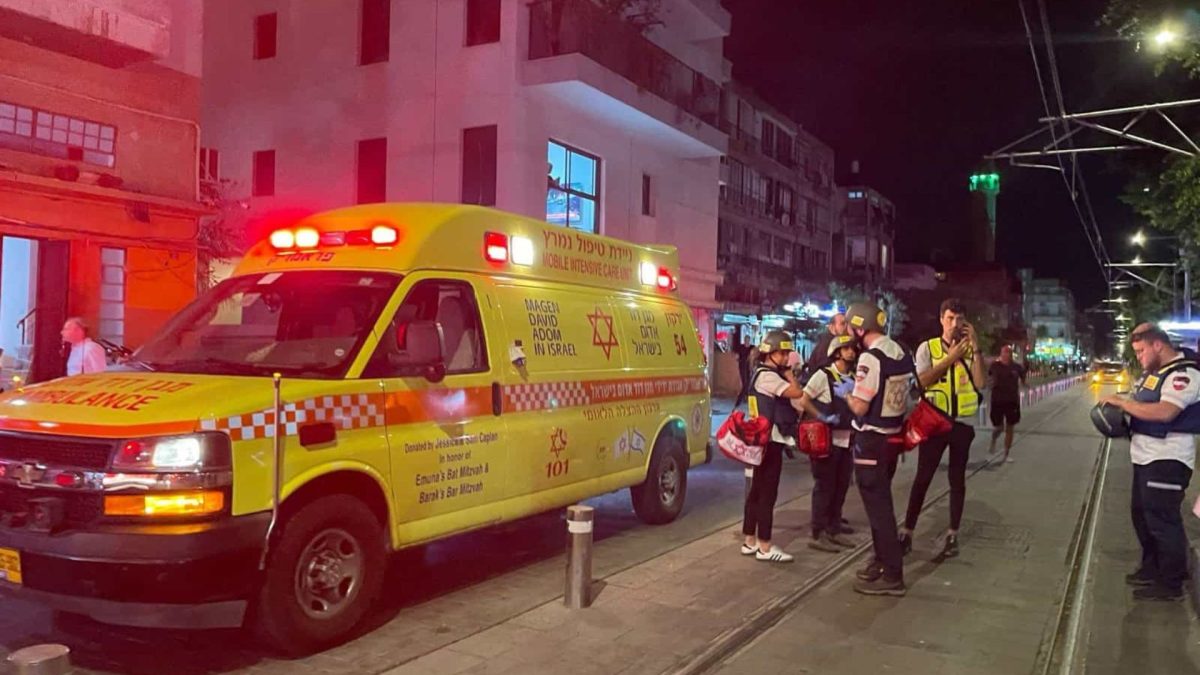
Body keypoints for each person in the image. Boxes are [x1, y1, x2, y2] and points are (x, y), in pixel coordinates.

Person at [1102, 324, 1200, 601]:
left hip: (1167, 459)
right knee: (1142, 516)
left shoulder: (1183, 374)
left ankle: (1171, 583)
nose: (1140, 357)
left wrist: (1123, 404)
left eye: (1142, 351)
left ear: (1158, 345)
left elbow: (1166, 411)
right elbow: (1143, 404)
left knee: (1162, 520)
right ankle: (1152, 568)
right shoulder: (1154, 374)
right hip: (1145, 457)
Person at [900, 298, 985, 561]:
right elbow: (922, 381)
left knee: (957, 480)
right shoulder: (928, 347)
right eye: (949, 318)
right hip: (935, 422)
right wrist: (950, 359)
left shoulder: (971, 350)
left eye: (959, 319)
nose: (954, 324)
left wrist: (977, 348)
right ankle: (908, 531)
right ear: (941, 319)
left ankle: (952, 533)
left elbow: (980, 384)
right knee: (923, 478)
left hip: (962, 425)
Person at [843, 302, 914, 596]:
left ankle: (893, 574)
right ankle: (881, 560)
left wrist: (846, 393)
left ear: (860, 328)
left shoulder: (870, 359)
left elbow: (860, 405)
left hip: (871, 439)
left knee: (879, 508)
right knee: (879, 504)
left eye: (851, 326)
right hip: (893, 437)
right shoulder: (900, 352)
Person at [741, 330, 805, 563]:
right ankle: (765, 546)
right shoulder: (769, 377)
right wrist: (790, 375)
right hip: (771, 439)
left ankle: (750, 540)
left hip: (762, 439)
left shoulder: (758, 372)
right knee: (767, 493)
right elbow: (797, 392)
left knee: (757, 491)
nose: (787, 357)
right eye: (784, 353)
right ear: (773, 353)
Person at [799, 334, 859, 553]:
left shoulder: (852, 376)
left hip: (846, 440)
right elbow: (804, 400)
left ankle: (834, 528)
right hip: (826, 442)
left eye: (853, 348)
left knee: (841, 485)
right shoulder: (823, 376)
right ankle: (818, 532)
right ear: (837, 352)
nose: (851, 352)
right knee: (824, 486)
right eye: (847, 348)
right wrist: (821, 416)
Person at [988, 344, 1026, 462]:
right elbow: (988, 378)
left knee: (1010, 427)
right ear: (1001, 353)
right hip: (997, 400)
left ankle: (1006, 454)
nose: (1006, 355)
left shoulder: (1017, 367)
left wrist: (1026, 386)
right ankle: (993, 440)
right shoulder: (995, 366)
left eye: (1008, 352)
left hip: (1012, 401)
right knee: (999, 427)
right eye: (1004, 352)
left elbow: (1023, 379)